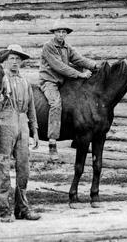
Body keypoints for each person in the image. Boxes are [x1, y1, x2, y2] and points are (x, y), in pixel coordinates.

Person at [0, 44, 40, 222]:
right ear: (5, 61)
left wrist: (34, 131)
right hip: (6, 121)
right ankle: (4, 210)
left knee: (24, 167)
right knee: (4, 165)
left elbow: (31, 109)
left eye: (18, 59)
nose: (15, 62)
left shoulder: (24, 82)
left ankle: (22, 208)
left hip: (23, 123)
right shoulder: (1, 80)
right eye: (11, 58)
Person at [39, 21, 98, 162]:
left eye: (63, 32)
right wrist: (80, 75)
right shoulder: (48, 47)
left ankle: (77, 140)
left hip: (64, 82)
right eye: (58, 31)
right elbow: (59, 67)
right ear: (54, 33)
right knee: (55, 104)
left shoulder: (67, 47)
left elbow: (79, 59)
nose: (61, 34)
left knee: (80, 103)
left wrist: (95, 66)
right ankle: (52, 143)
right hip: (50, 82)